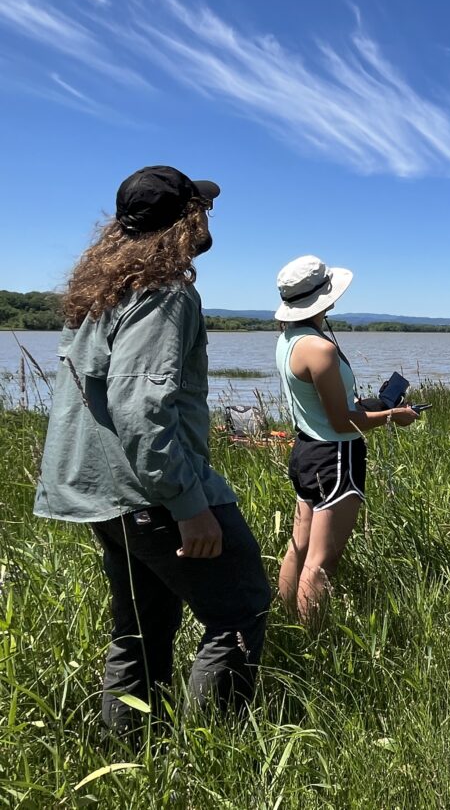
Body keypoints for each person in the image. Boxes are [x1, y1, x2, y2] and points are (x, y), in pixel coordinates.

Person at [33, 166, 272, 736]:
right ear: (187, 218)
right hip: (152, 494)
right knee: (240, 609)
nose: (208, 216)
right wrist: (189, 504)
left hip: (104, 494)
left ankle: (131, 757)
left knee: (141, 629)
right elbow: (142, 408)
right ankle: (216, 757)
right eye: (202, 207)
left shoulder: (104, 293)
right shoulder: (165, 294)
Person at [273, 255, 418, 623]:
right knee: (322, 562)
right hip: (335, 458)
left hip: (306, 450)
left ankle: (288, 621)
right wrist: (393, 415)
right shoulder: (321, 349)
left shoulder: (289, 339)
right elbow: (341, 423)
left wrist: (368, 405)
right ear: (325, 296)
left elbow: (325, 407)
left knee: (299, 546)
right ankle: (316, 641)